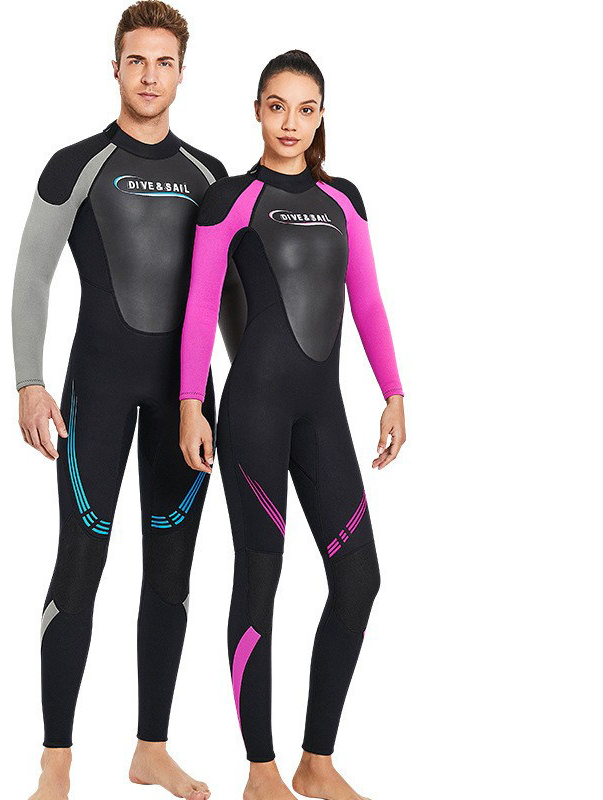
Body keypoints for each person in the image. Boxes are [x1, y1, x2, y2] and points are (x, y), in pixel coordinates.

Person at [12, 4, 243, 798]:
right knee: (81, 561)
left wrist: (247, 393)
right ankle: (56, 761)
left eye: (163, 62)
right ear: (115, 67)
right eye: (136, 60)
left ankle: (151, 749)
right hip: (99, 389)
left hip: (187, 399)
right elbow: (32, 274)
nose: (150, 76)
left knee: (171, 573)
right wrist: (29, 380)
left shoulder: (210, 175)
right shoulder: (77, 163)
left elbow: (229, 297)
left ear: (182, 73)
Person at [178, 50, 406, 800]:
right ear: (256, 110)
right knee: (260, 578)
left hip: (323, 413)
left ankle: (316, 761)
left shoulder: (344, 200)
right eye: (277, 106)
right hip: (254, 415)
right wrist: (190, 404)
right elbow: (200, 306)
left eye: (306, 109)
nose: (290, 123)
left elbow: (367, 302)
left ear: (321, 116)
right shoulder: (231, 200)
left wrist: (393, 391)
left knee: (359, 579)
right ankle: (261, 770)